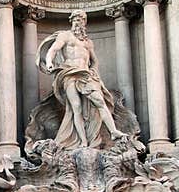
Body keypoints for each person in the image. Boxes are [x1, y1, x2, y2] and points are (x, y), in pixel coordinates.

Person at [42, 10, 127, 149]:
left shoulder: (88, 42)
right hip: (69, 73)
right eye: (75, 19)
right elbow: (53, 50)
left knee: (100, 102)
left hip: (86, 75)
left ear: (84, 23)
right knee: (76, 108)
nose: (78, 22)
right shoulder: (66, 36)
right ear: (71, 21)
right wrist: (49, 62)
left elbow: (94, 61)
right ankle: (83, 141)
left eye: (80, 20)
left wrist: (94, 72)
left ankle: (113, 131)